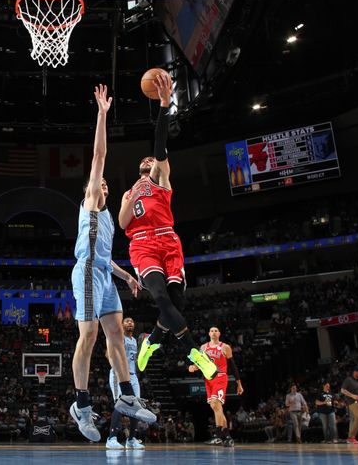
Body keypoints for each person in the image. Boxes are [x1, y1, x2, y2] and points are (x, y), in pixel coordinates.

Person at [70, 84, 156, 443]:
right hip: (87, 273)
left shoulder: (107, 220)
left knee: (116, 336)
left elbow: (107, 258)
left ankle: (126, 395)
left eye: (105, 183)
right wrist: (103, 114)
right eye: (98, 182)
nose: (102, 183)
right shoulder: (91, 201)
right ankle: (82, 405)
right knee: (88, 337)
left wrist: (128, 277)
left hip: (104, 273)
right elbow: (99, 155)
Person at [117, 72, 216, 379]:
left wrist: (164, 104)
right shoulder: (130, 191)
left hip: (168, 240)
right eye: (145, 159)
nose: (150, 158)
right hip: (143, 242)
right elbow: (123, 224)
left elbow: (159, 143)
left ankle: (153, 342)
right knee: (160, 297)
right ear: (139, 167)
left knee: (176, 301)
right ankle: (194, 353)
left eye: (153, 158)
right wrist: (125, 201)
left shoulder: (161, 177)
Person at [188, 326, 244, 446]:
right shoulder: (203, 347)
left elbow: (233, 366)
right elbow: (200, 364)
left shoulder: (225, 347)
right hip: (208, 379)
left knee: (215, 404)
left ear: (219, 333)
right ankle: (228, 437)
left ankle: (218, 435)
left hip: (220, 377)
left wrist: (239, 383)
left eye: (216, 331)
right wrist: (193, 367)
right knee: (216, 408)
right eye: (212, 331)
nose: (214, 332)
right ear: (208, 333)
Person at [106, 317, 145, 449]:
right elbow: (108, 354)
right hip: (119, 375)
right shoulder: (119, 337)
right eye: (127, 321)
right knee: (120, 405)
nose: (130, 323)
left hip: (132, 376)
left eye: (132, 321)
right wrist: (117, 370)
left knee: (136, 407)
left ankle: (131, 439)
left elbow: (136, 362)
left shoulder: (134, 340)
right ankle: (111, 439)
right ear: (122, 325)